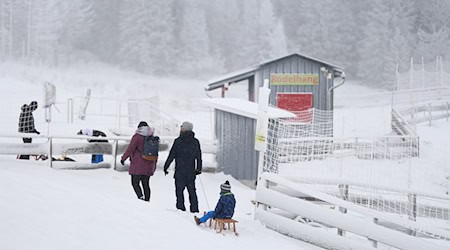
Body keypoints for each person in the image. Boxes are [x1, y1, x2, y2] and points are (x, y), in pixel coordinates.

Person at [164, 121, 202, 212]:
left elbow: (171, 155)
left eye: (182, 127)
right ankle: (194, 209)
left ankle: (180, 208)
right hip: (190, 171)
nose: (180, 128)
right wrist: (198, 169)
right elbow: (198, 157)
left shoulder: (178, 141)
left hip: (180, 171)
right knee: (192, 192)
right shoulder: (195, 142)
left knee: (179, 191)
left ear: (184, 129)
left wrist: (166, 166)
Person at [121, 121, 157, 202]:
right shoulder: (152, 137)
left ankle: (140, 198)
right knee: (146, 184)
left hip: (137, 165)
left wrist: (123, 158)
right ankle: (147, 200)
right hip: (149, 164)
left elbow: (130, 149)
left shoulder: (137, 137)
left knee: (135, 182)